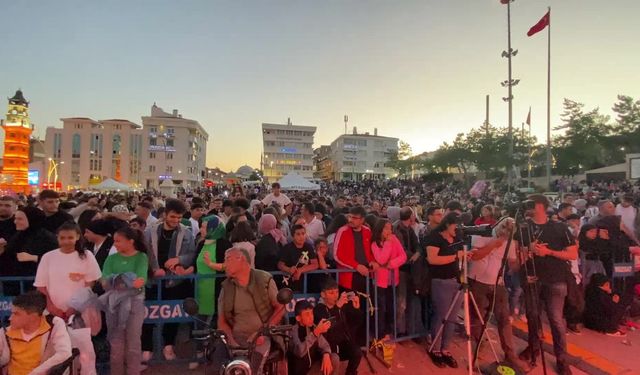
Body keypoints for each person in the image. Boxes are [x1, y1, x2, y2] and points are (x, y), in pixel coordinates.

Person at [517, 194, 578, 375]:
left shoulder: (560, 227)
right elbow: (517, 255)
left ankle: (562, 359)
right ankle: (533, 348)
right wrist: (529, 251)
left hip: (556, 279)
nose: (526, 206)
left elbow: (572, 254)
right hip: (532, 278)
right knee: (533, 316)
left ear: (540, 206)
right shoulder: (523, 228)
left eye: (530, 203)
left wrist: (548, 252)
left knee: (556, 320)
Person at [214, 248, 286, 373]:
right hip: (234, 337)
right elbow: (222, 322)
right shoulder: (226, 287)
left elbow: (280, 308)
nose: (224, 264)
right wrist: (230, 341)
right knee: (215, 364)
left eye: (227, 259)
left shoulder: (264, 279)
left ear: (240, 259)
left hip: (262, 335)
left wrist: (264, 332)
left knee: (254, 367)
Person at [468, 218, 528, 369]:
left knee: (504, 320)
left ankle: (510, 355)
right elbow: (475, 256)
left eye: (510, 230)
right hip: (477, 281)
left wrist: (524, 257)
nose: (505, 231)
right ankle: (476, 353)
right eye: (504, 227)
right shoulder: (481, 235)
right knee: (477, 318)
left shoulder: (511, 244)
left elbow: (513, 266)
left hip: (497, 284)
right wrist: (493, 244)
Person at [143, 198, 196, 361]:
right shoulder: (150, 232)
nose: (176, 221)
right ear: (165, 214)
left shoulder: (186, 232)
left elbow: (191, 253)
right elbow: (145, 254)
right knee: (148, 314)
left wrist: (179, 259)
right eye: (173, 217)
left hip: (175, 282)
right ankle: (146, 348)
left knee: (172, 316)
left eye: (179, 218)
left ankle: (169, 346)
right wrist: (153, 269)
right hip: (153, 280)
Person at [101, 227, 149, 375]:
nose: (115, 244)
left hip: (135, 303)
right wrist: (127, 279)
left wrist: (117, 279)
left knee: (133, 343)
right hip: (114, 304)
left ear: (131, 241)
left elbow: (140, 282)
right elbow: (104, 282)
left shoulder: (141, 257)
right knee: (116, 344)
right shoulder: (111, 258)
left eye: (118, 241)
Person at [34, 222, 102, 321]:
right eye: (62, 238)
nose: (66, 241)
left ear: (77, 237)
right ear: (57, 237)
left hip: (80, 311)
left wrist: (75, 307)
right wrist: (51, 307)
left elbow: (89, 285)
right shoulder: (48, 257)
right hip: (51, 311)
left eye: (70, 238)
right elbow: (41, 286)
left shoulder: (87, 255)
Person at [425, 212, 464, 368]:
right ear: (448, 224)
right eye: (456, 225)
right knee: (441, 316)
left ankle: (445, 348)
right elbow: (432, 259)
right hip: (441, 281)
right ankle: (435, 348)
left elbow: (461, 256)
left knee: (452, 318)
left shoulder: (458, 238)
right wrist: (456, 256)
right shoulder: (434, 237)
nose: (458, 228)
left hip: (457, 281)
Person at [0, 291, 72, 375]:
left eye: (16, 314)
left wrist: (36, 372)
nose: (10, 318)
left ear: (32, 316)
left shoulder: (53, 324)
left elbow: (65, 352)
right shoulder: (5, 331)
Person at [3, 207, 58, 295]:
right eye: (15, 218)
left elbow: (57, 259)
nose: (15, 222)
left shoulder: (47, 238)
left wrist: (34, 258)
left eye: (20, 219)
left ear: (31, 219)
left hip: (36, 286)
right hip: (15, 285)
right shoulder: (18, 236)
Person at [313, 278, 362, 375]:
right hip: (328, 348)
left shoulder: (341, 306)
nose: (335, 296)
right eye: (331, 293)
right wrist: (337, 307)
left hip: (342, 344)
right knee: (335, 358)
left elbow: (356, 323)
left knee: (357, 352)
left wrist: (356, 308)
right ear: (323, 295)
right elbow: (329, 328)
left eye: (337, 292)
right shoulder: (319, 309)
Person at [371, 218, 407, 341]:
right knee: (381, 310)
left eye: (390, 228)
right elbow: (381, 259)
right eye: (386, 228)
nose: (389, 231)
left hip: (393, 281)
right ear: (380, 229)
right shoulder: (375, 244)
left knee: (392, 308)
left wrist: (391, 264)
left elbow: (403, 256)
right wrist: (387, 244)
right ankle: (380, 336)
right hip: (380, 282)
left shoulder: (394, 239)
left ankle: (388, 333)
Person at [289, 300, 338, 375]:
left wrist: (326, 354)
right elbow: (299, 352)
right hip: (301, 372)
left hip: (313, 369)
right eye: (307, 314)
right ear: (298, 318)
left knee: (334, 357)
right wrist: (315, 333)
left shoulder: (313, 327)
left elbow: (325, 345)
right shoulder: (293, 331)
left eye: (312, 313)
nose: (311, 317)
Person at [332, 206, 374, 293]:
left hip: (365, 274)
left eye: (354, 218)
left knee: (365, 304)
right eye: (349, 216)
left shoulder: (367, 231)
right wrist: (356, 266)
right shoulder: (342, 231)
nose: (350, 220)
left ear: (362, 220)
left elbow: (371, 251)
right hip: (348, 276)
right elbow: (337, 255)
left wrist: (372, 262)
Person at [393, 207, 420, 336]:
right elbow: (401, 250)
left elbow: (417, 244)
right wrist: (413, 256)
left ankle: (410, 330)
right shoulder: (396, 229)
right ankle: (399, 329)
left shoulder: (410, 229)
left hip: (411, 269)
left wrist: (418, 253)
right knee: (401, 302)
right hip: (401, 269)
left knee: (411, 301)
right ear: (410, 217)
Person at [278, 225, 318, 292]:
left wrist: (301, 270)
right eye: (298, 234)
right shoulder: (287, 248)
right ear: (293, 236)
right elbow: (280, 264)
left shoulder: (309, 247)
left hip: (306, 283)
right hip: (289, 283)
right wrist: (289, 269)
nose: (301, 237)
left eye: (303, 233)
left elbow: (315, 264)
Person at [0, 196, 17, 295]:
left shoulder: (17, 224)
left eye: (7, 205)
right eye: (1, 205)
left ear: (14, 207)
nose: (3, 208)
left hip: (12, 270)